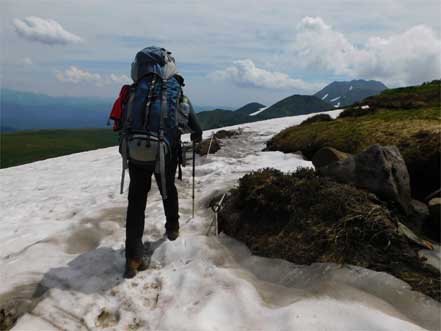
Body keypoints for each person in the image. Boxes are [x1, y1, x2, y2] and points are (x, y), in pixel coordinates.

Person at [120, 47, 203, 278]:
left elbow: (120, 121)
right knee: (168, 190)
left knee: (136, 199)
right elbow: (194, 123)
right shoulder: (174, 88)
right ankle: (173, 228)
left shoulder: (135, 89)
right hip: (164, 153)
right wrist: (196, 135)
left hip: (136, 153)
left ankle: (133, 258)